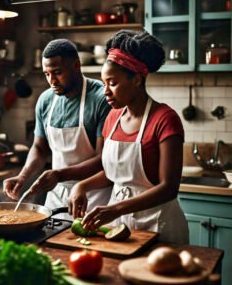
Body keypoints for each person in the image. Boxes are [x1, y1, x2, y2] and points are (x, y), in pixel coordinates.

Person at [68, 30, 189, 243]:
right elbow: (113, 174)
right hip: (119, 225)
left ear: (136, 80)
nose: (105, 91)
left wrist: (115, 209)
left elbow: (169, 188)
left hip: (158, 224)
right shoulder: (113, 118)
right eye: (103, 83)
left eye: (112, 83)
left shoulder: (165, 119)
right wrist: (81, 186)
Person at [3, 39, 111, 220]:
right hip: (57, 195)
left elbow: (103, 159)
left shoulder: (102, 98)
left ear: (77, 66)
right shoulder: (45, 100)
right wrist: (23, 176)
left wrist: (59, 174)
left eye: (57, 73)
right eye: (47, 74)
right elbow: (39, 148)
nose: (51, 81)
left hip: (94, 196)